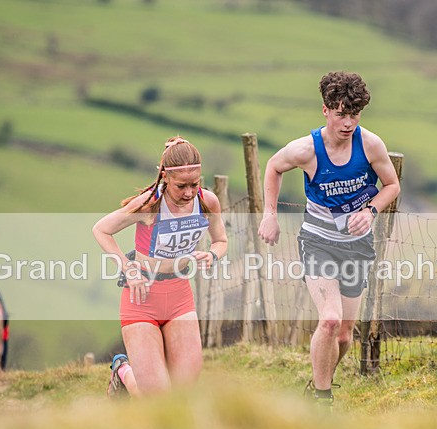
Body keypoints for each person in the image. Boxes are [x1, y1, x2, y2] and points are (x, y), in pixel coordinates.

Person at [258, 71, 401, 408]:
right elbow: (273, 166)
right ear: (325, 111)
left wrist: (370, 211)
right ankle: (323, 401)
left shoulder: (370, 145)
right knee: (330, 318)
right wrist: (269, 213)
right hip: (318, 241)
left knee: (344, 335)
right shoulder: (307, 149)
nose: (348, 123)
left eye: (354, 115)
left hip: (357, 245)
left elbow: (392, 185)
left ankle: (318, 384)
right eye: (340, 114)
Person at [93, 136, 228, 397]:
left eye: (194, 184)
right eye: (181, 186)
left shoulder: (207, 202)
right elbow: (101, 230)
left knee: (182, 393)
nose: (189, 193)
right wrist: (127, 268)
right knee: (156, 396)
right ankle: (123, 370)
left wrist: (213, 255)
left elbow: (221, 240)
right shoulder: (149, 205)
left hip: (179, 296)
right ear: (165, 176)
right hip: (141, 298)